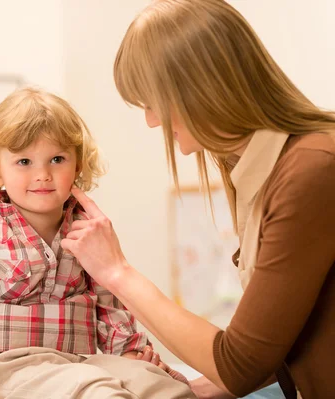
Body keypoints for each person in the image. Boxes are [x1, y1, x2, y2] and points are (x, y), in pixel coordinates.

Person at [60, 0, 335, 398]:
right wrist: (201, 387)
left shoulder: (311, 170)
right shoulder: (267, 168)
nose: (152, 121)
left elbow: (239, 363)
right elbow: (279, 337)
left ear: (198, 88)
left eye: (152, 103)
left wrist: (117, 272)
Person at [0, 87, 194, 399]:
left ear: (77, 164)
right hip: (7, 373)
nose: (42, 175)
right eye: (24, 161)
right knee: (99, 393)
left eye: (57, 159)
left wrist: (130, 354)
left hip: (81, 363)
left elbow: (111, 306)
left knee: (163, 387)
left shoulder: (87, 232)